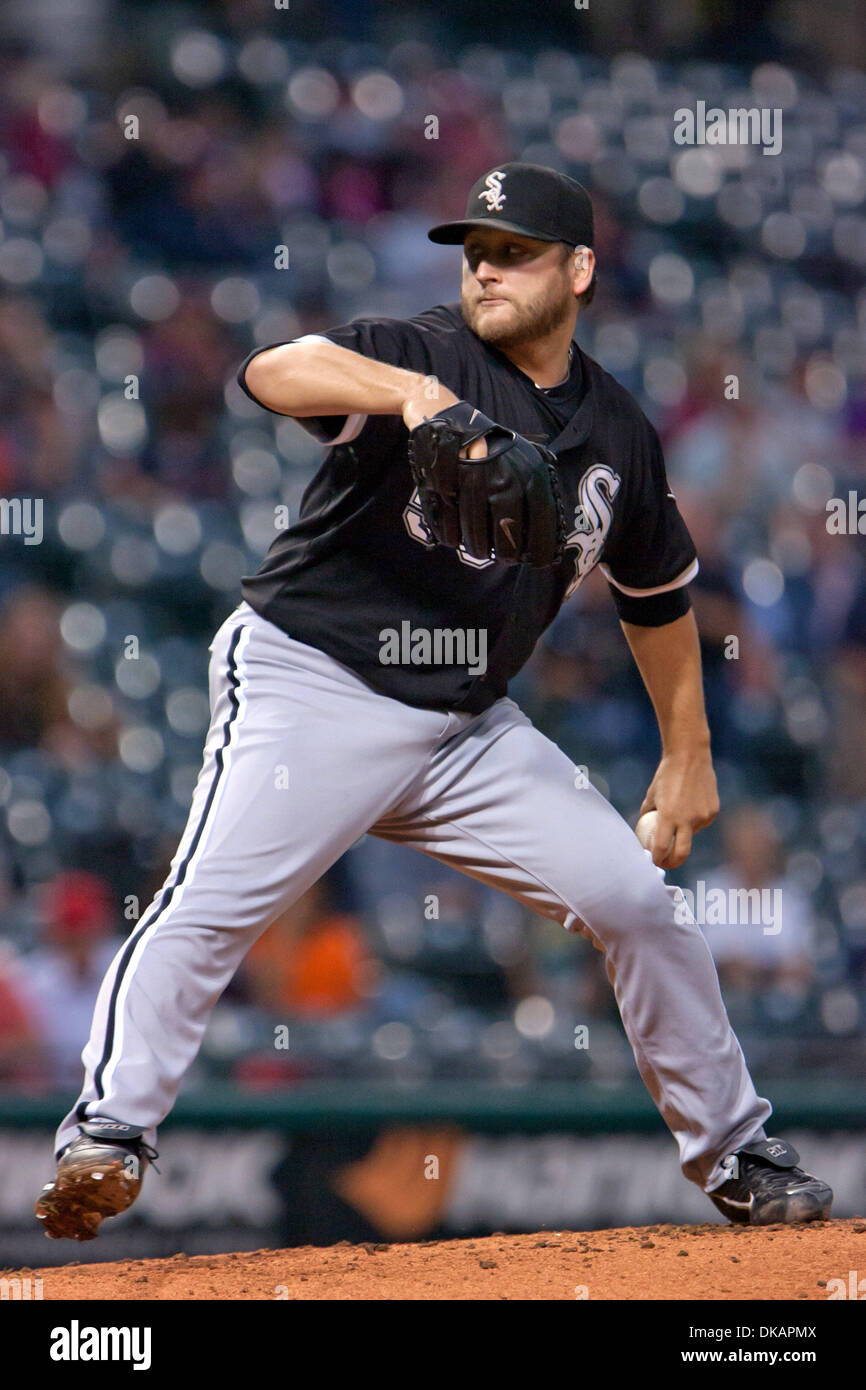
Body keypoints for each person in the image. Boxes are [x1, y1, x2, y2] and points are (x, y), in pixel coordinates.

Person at [35, 163, 831, 1242]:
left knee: (636, 904)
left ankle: (734, 1150)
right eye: (475, 250)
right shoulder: (427, 351)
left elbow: (658, 597)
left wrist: (685, 753)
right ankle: (110, 1133)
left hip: (466, 727)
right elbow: (273, 370)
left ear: (580, 270)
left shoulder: (619, 435)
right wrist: (411, 399)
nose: (485, 267)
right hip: (312, 680)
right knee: (211, 902)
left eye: (514, 251)